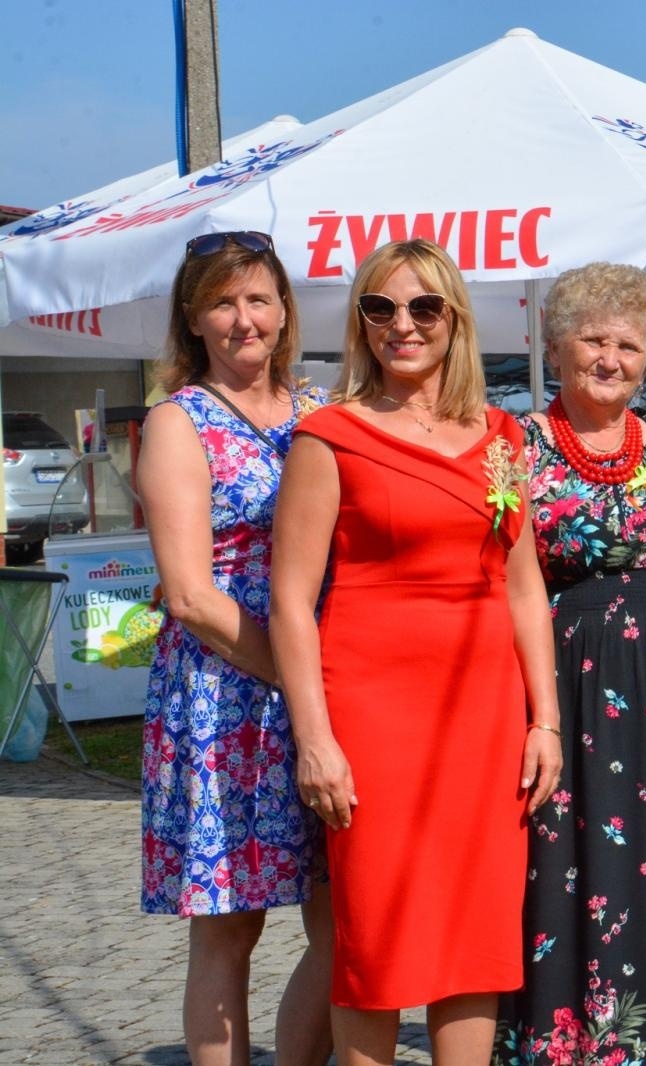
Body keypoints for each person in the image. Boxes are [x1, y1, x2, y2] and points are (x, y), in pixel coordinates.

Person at [271, 238, 562, 1066]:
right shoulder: (328, 438)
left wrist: (545, 721)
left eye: (424, 307)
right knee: (376, 939)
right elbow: (291, 602)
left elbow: (523, 587)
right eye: (381, 307)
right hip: (372, 714)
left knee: (476, 936)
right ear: (360, 324)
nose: (404, 325)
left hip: (483, 714)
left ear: (455, 320)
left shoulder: (503, 436)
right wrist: (316, 738)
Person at [497, 262, 646, 1064]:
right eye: (593, 340)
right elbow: (509, 582)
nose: (611, 358)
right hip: (571, 689)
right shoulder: (515, 445)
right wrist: (538, 715)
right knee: (567, 871)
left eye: (629, 344)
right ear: (555, 349)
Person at [138, 230, 332, 1066]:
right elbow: (188, 595)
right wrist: (300, 675)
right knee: (230, 930)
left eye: (258, 298)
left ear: (286, 311)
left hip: (321, 687)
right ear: (193, 318)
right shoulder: (177, 422)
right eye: (223, 301)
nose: (243, 319)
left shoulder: (324, 413)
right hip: (225, 696)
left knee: (345, 921)